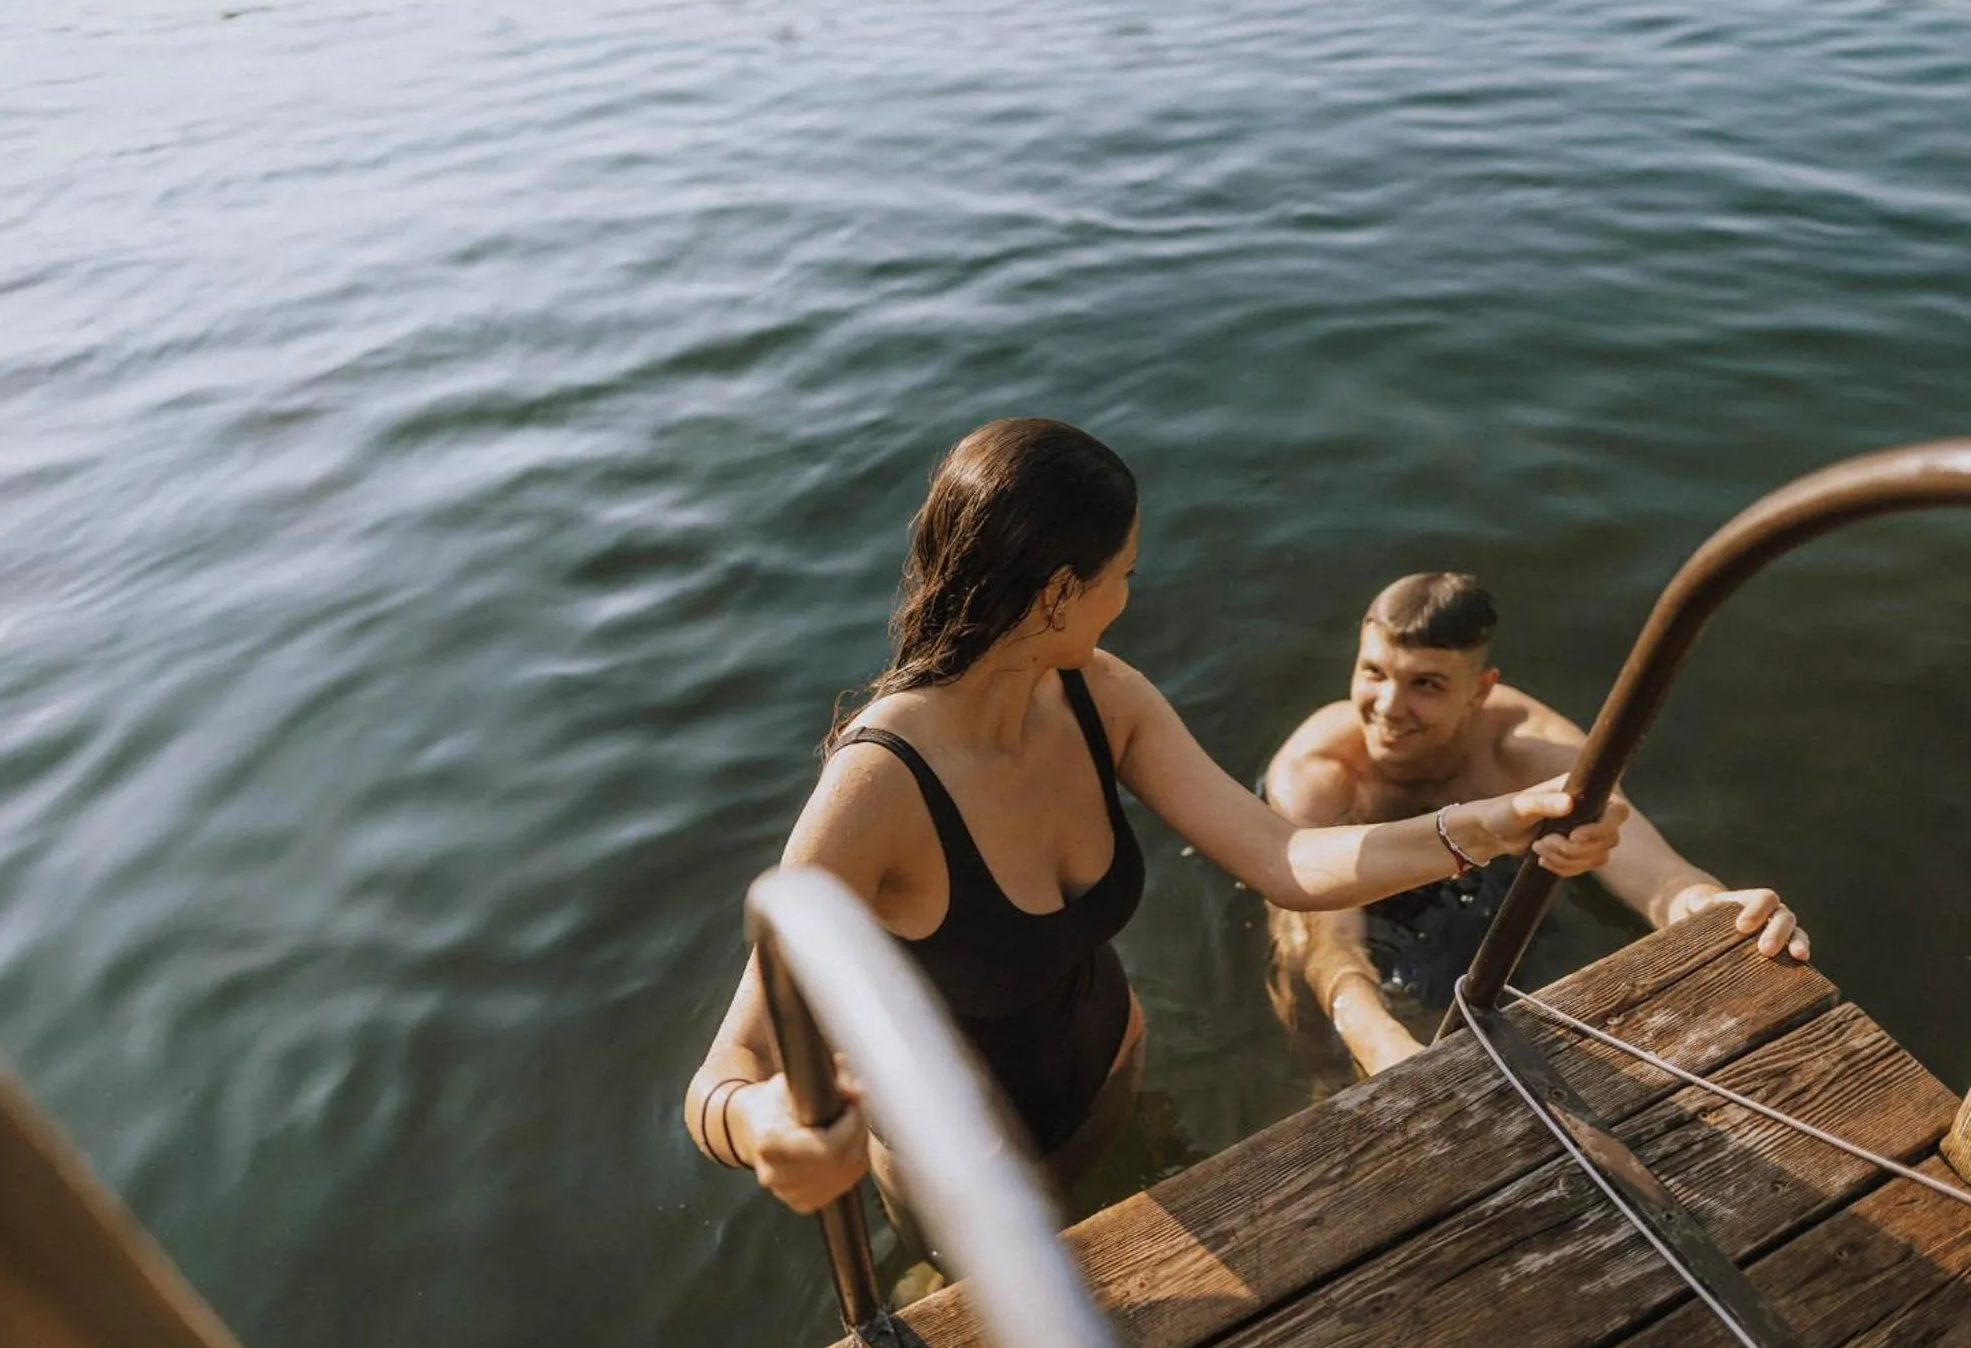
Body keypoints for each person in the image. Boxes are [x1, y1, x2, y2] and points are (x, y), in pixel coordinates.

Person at [682, 422, 1629, 1246]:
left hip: (1121, 1078)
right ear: (1059, 593)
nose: (1127, 597)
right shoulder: (879, 784)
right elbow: (728, 1068)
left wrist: (1501, 822)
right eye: (1122, 575)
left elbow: (1283, 856)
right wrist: (766, 1121)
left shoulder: (1103, 695)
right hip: (971, 1181)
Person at [1262, 571, 1810, 1078]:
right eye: (1373, 673)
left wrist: (1712, 910)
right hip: (1356, 896)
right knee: (1303, 991)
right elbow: (1322, 937)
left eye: (1425, 684)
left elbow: (1655, 875)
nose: (1388, 706)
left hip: (1490, 894)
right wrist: (1384, 1046)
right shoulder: (1316, 772)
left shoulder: (1531, 753)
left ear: (1481, 689)